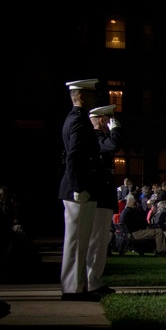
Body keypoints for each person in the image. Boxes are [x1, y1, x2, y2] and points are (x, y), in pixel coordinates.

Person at [59, 78, 104, 301]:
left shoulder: (75, 119)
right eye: (92, 95)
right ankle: (72, 289)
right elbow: (74, 156)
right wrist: (78, 186)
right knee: (76, 241)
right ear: (82, 96)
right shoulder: (78, 121)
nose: (95, 99)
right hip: (78, 188)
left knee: (80, 241)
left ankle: (78, 287)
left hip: (80, 186)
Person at [85, 104, 122, 296]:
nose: (110, 123)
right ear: (102, 120)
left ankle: (94, 280)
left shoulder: (98, 138)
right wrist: (116, 129)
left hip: (102, 193)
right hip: (99, 194)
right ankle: (92, 281)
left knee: (100, 239)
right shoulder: (96, 138)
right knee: (97, 239)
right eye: (109, 119)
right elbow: (113, 145)